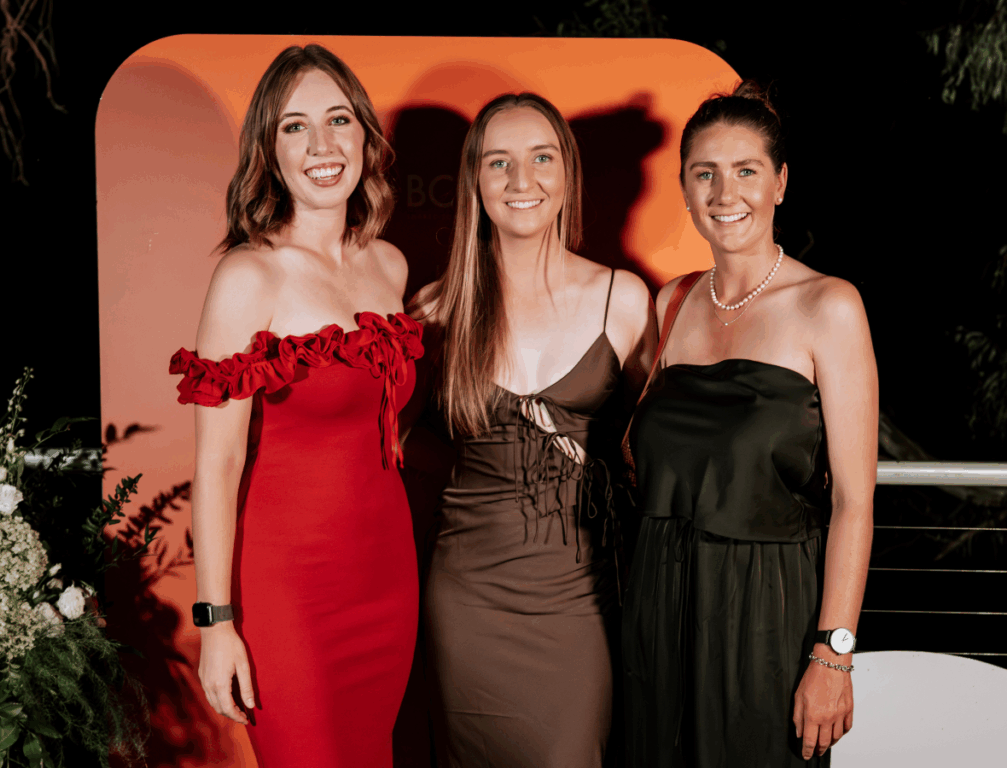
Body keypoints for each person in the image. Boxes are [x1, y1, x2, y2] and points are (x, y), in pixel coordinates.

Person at [168, 45, 423, 768]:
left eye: (338, 120)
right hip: (289, 591)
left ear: (365, 136)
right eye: (294, 127)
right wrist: (217, 621)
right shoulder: (249, 276)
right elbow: (217, 464)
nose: (321, 145)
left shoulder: (390, 265)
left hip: (387, 578)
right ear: (268, 152)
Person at [621, 80, 877, 767]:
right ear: (684, 188)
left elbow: (855, 504)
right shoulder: (670, 303)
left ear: (780, 183)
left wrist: (834, 654)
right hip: (658, 606)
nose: (724, 192)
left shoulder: (829, 305)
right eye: (704, 173)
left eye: (746, 171)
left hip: (767, 612)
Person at [407, 93, 658, 767]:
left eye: (542, 158)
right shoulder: (435, 310)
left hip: (579, 604)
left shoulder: (623, 300)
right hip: (466, 606)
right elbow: (389, 442)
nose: (522, 180)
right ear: (474, 181)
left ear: (568, 173)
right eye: (499, 162)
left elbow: (661, 447)